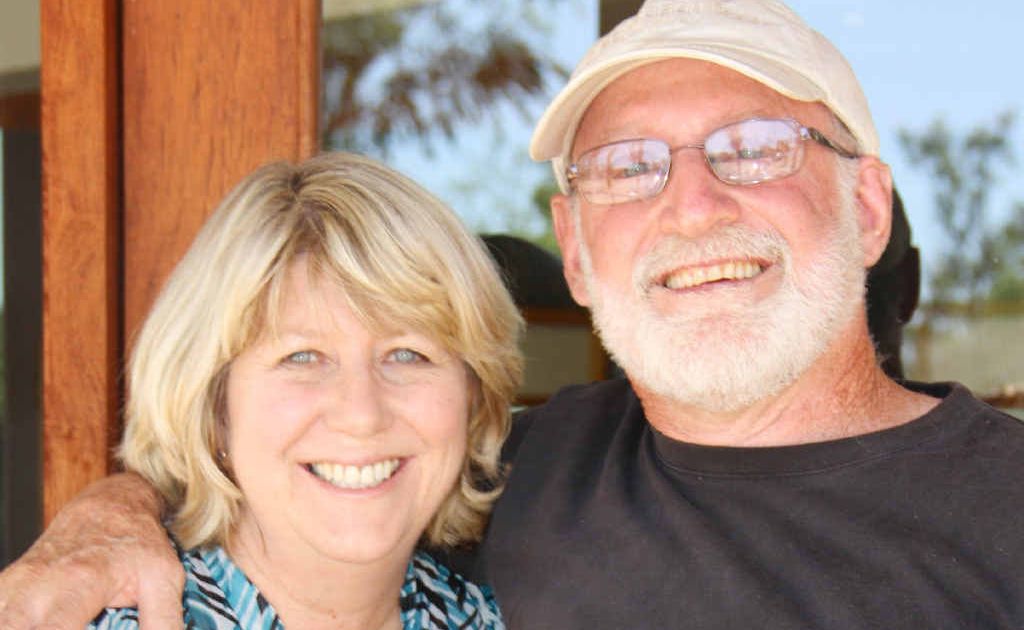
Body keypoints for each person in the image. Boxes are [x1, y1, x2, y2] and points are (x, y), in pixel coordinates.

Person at [3, 0, 1024, 628]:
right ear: (573, 247)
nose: (693, 205)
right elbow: (285, 463)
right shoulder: (521, 472)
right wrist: (106, 519)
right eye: (628, 167)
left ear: (866, 206)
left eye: (754, 149)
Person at [74, 151, 522, 628]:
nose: (361, 414)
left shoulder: (491, 619)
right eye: (303, 357)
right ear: (215, 410)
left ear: (473, 394)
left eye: (407, 354)